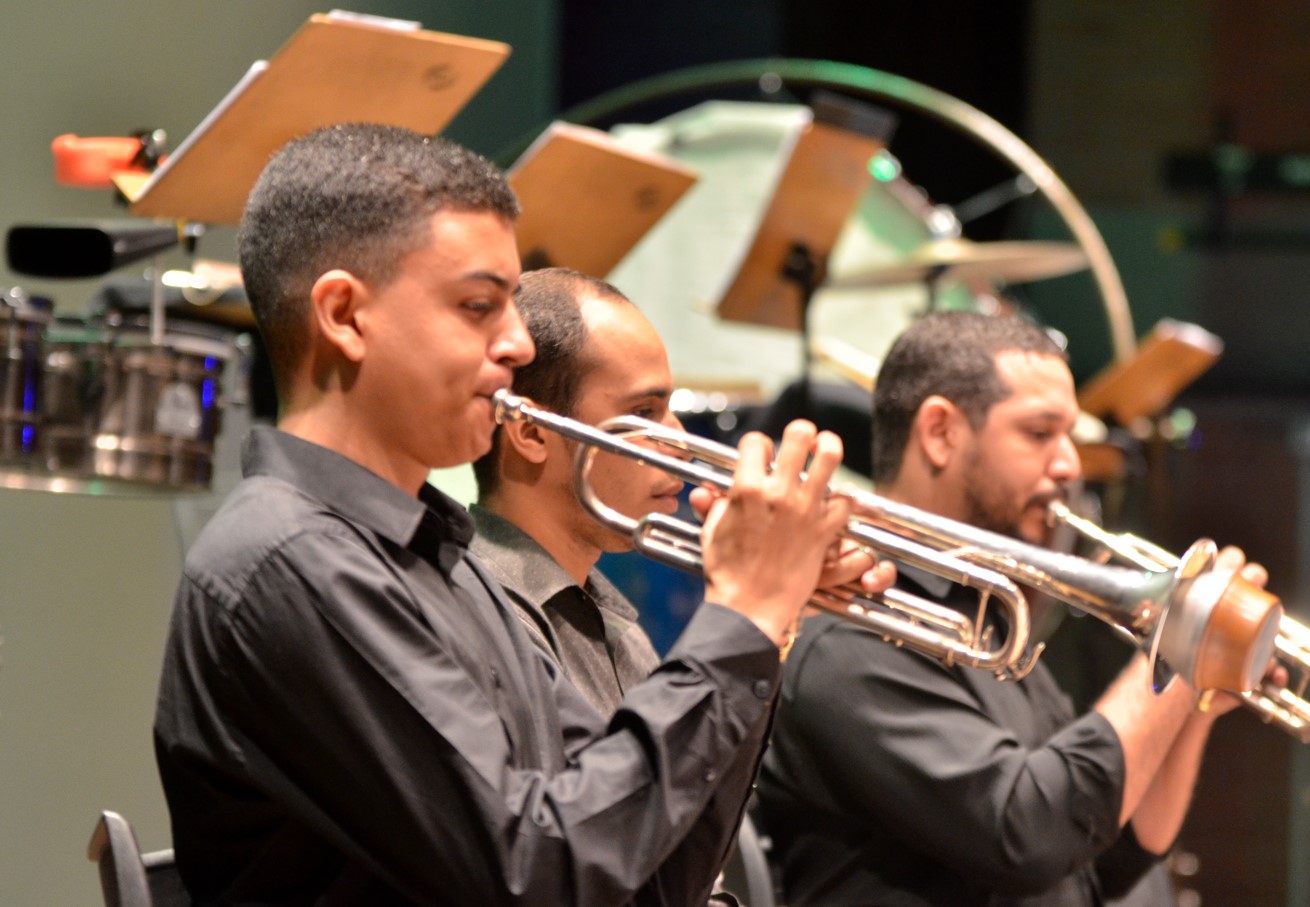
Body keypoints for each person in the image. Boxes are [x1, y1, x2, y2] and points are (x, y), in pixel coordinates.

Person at [152, 123, 872, 906]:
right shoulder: (291, 561)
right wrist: (741, 613)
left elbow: (653, 875)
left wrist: (768, 623)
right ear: (345, 315)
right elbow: (535, 872)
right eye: (477, 306)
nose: (520, 344)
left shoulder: (445, 567)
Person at [756, 310, 1264, 907]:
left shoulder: (992, 627)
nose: (1071, 463)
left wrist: (1197, 698)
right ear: (941, 432)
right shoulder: (849, 641)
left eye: (1069, 435)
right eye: (1040, 432)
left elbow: (1099, 858)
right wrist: (1180, 640)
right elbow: (1031, 835)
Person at [467, 267, 898, 905]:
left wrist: (775, 617)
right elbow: (576, 869)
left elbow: (682, 873)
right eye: (643, 413)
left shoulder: (619, 627)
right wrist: (747, 609)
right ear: (531, 432)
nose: (681, 443)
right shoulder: (478, 615)